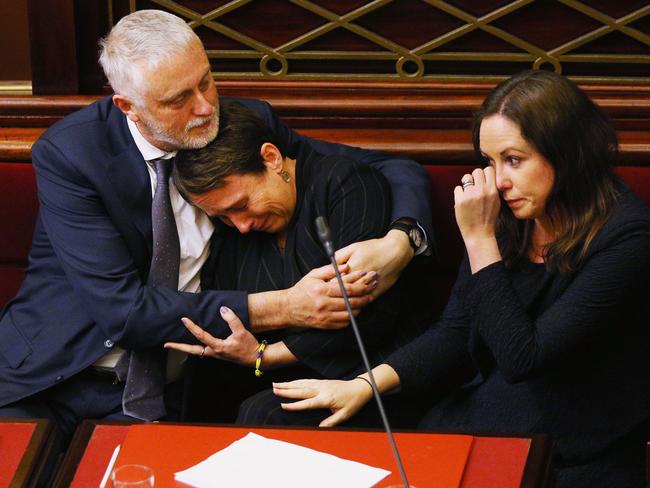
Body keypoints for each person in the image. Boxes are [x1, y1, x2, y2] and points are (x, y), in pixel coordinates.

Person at [0, 9, 432, 460]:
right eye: (178, 99)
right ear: (128, 106)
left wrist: (402, 241)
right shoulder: (72, 155)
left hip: (161, 399)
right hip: (46, 377)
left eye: (205, 81)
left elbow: (387, 166)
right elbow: (124, 312)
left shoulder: (242, 124)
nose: (205, 107)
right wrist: (286, 305)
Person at [272, 70, 650, 487]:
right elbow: (456, 331)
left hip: (577, 441)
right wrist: (363, 385)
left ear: (566, 153)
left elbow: (525, 357)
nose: (499, 181)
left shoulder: (628, 239)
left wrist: (478, 239)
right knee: (276, 417)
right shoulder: (510, 215)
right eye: (490, 162)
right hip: (491, 410)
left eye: (514, 159)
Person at [164, 102, 428, 425]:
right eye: (223, 217)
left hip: (376, 371)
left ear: (271, 158)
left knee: (262, 415)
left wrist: (264, 356)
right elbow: (229, 318)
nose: (241, 225)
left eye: (243, 205)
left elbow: (367, 316)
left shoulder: (345, 184)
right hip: (281, 377)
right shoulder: (232, 234)